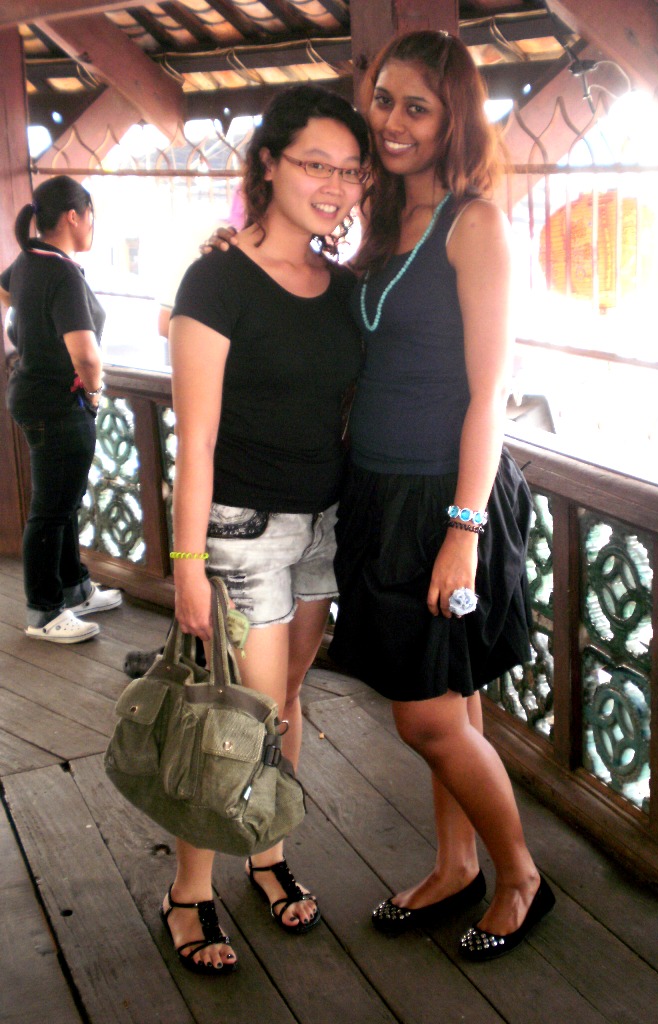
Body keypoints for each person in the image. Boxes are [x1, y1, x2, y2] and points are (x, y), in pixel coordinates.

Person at [204, 30, 554, 963]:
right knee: (452, 703)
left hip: (446, 499)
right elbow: (294, 262)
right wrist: (234, 249)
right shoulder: (382, 222)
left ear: (453, 120)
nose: (393, 122)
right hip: (375, 493)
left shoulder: (474, 224)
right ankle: (456, 864)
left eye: (417, 107)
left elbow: (491, 392)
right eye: (385, 101)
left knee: (426, 715)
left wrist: (464, 531)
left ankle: (521, 878)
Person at [162, 84, 369, 974]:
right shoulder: (215, 279)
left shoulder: (345, 288)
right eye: (316, 164)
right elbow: (196, 438)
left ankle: (268, 853)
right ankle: (188, 891)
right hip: (242, 532)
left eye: (351, 171)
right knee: (234, 718)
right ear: (271, 165)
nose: (335, 185)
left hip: (323, 527)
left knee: (283, 703)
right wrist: (185, 562)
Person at [0, 176, 122, 644]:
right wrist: (93, 393)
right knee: (51, 510)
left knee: (64, 499)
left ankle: (75, 588)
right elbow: (87, 356)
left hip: (33, 393)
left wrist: (27, 339)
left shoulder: (29, 259)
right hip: (57, 403)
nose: (92, 224)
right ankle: (44, 612)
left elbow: (6, 292)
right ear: (74, 216)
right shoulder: (63, 273)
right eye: (90, 215)